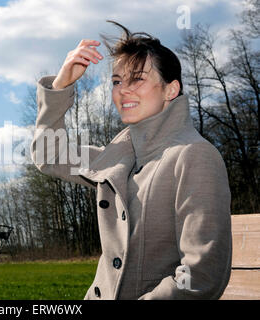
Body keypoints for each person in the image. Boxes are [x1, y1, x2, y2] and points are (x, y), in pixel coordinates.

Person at [30, 21, 232, 299]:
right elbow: (48, 155)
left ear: (170, 90)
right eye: (116, 81)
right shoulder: (117, 157)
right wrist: (60, 85)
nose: (123, 89)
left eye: (137, 78)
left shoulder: (193, 155)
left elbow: (201, 274)